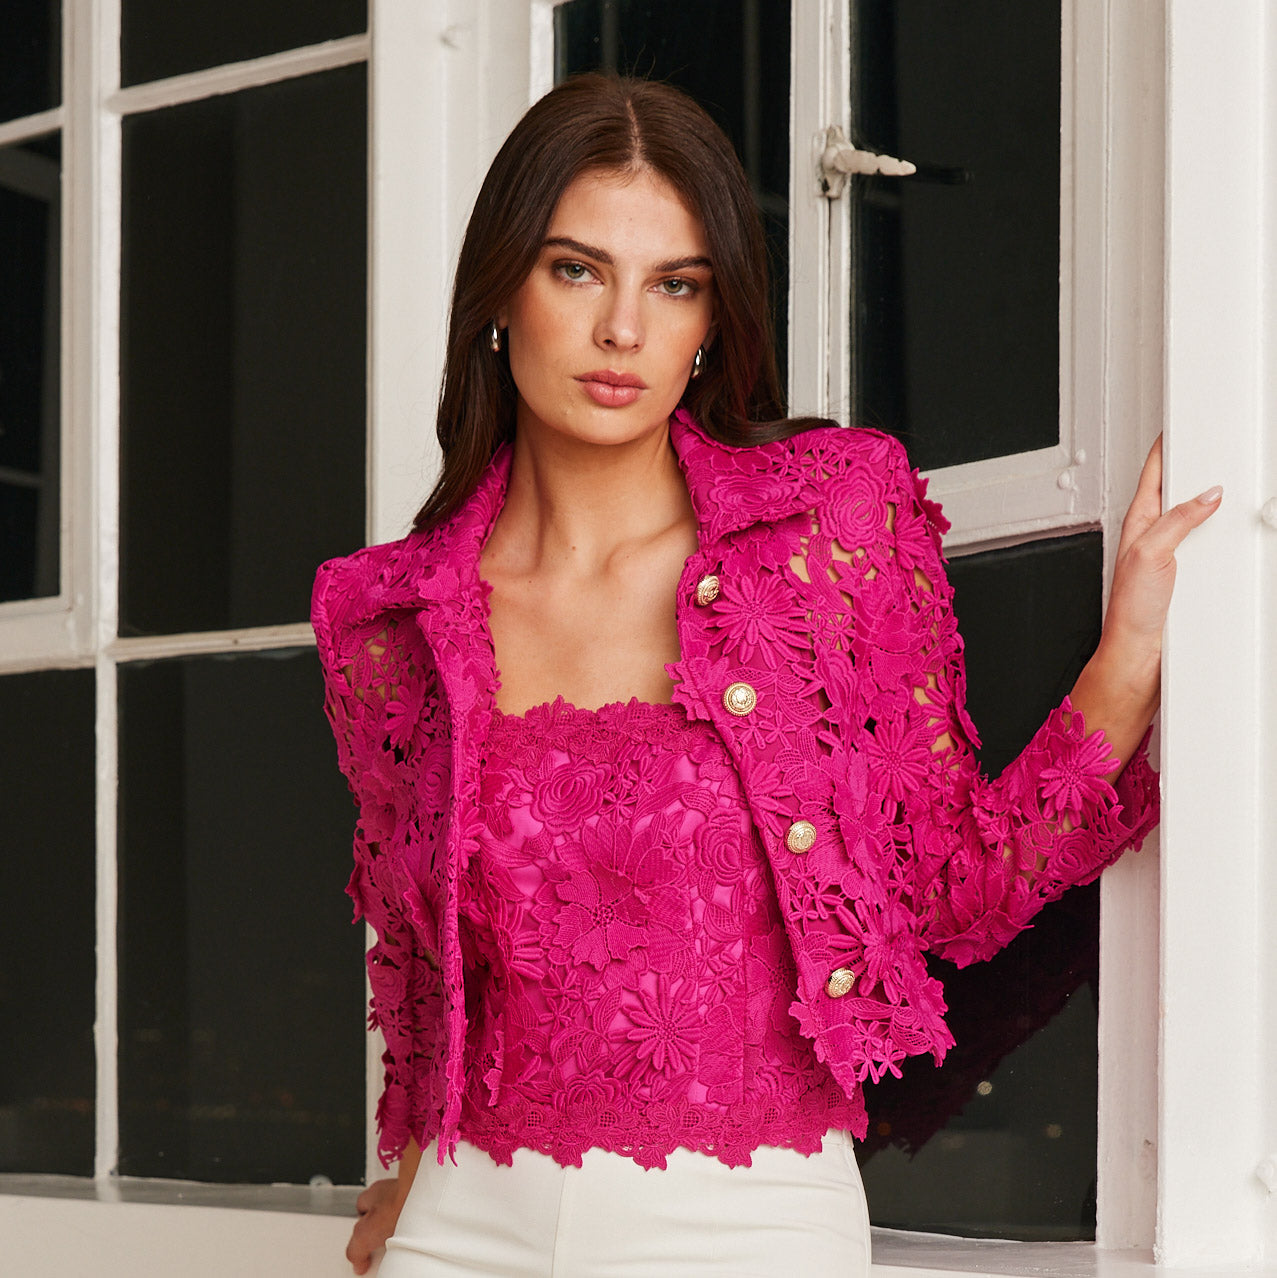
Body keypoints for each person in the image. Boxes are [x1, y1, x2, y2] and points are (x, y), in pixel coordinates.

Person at [311, 74, 1220, 1277]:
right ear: (498, 297)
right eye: (576, 270)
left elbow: (951, 888)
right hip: (459, 1229)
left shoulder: (824, 535)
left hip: (746, 1226)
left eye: (673, 284)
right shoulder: (388, 620)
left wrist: (1132, 657)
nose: (622, 330)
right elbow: (425, 979)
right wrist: (406, 1186)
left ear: (709, 323)